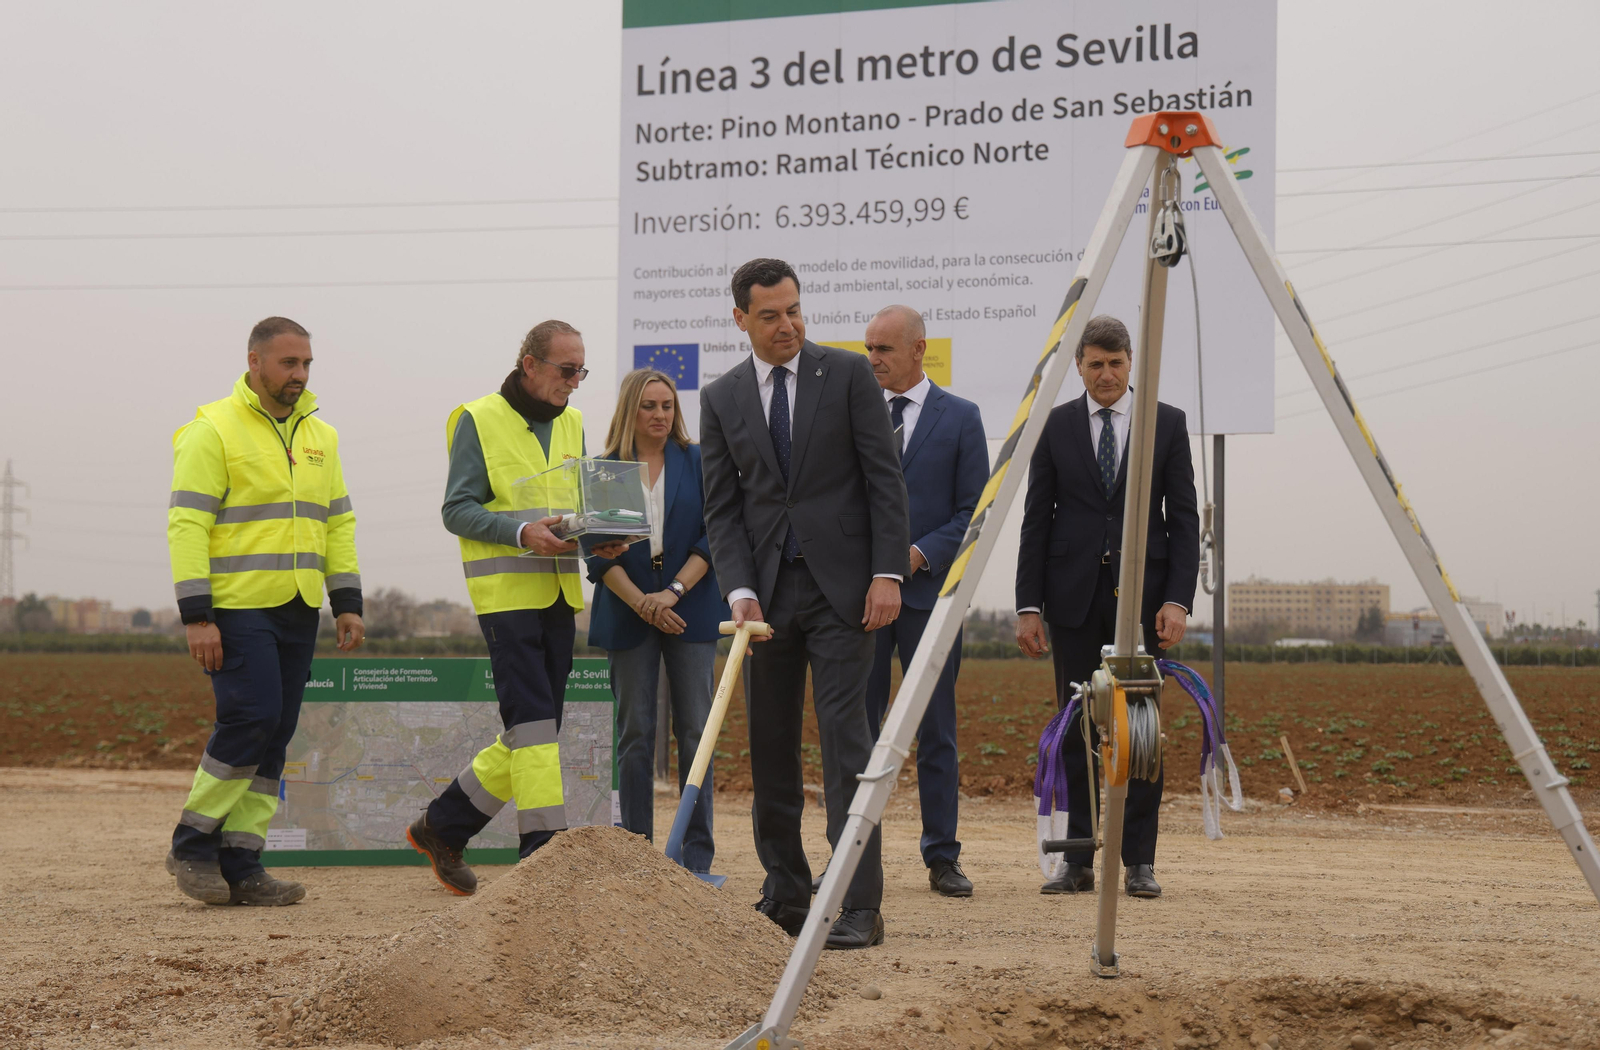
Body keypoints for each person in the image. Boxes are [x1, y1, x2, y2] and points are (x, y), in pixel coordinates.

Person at [700, 258, 909, 950]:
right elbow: (723, 509)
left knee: (848, 745)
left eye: (794, 310)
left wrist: (887, 574)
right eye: (770, 315)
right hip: (764, 602)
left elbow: (885, 481)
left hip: (845, 594)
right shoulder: (722, 396)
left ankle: (857, 904)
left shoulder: (847, 376)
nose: (787, 325)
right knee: (770, 749)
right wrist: (738, 589)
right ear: (741, 320)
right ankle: (785, 891)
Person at [406, 320, 626, 895]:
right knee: (532, 726)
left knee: (538, 729)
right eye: (565, 370)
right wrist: (521, 531)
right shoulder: (476, 418)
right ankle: (543, 855)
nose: (575, 382)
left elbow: (568, 510)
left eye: (582, 371)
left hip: (557, 594)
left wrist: (596, 536)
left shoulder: (573, 422)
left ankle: (443, 825)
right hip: (504, 596)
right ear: (529, 364)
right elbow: (458, 510)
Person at [165, 316, 366, 906]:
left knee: (276, 733)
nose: (299, 375)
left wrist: (347, 601)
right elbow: (187, 524)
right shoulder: (212, 430)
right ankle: (192, 844)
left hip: (300, 607)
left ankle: (243, 862)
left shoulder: (320, 436)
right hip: (234, 608)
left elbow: (339, 521)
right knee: (250, 718)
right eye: (288, 363)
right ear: (254, 362)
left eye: (306, 364)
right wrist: (196, 615)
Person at [1014, 314, 1199, 899]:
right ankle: (1077, 861)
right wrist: (1027, 605)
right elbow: (1035, 519)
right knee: (1075, 731)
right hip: (1070, 602)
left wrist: (1177, 600)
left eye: (1116, 363)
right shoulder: (1055, 425)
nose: (1106, 374)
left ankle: (1138, 861)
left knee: (1140, 733)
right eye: (1095, 364)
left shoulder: (1165, 424)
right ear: (1080, 366)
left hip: (1143, 605)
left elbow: (1185, 518)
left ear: (1130, 363)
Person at [861, 305, 988, 898]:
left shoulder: (961, 419)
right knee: (855, 730)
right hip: (861, 598)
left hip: (928, 599)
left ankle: (942, 857)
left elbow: (972, 514)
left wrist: (913, 556)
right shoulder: (856, 415)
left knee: (936, 730)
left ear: (919, 349)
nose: (874, 360)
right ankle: (853, 857)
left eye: (885, 349)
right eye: (869, 349)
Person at [586, 368, 728, 872]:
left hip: (689, 605)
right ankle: (636, 856)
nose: (660, 415)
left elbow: (715, 535)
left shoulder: (698, 460)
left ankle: (696, 858)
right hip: (628, 610)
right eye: (649, 406)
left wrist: (671, 593)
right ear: (630, 409)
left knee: (695, 732)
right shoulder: (606, 468)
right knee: (636, 733)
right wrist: (643, 602)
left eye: (667, 406)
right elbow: (598, 554)